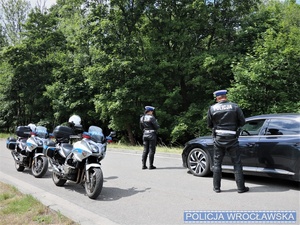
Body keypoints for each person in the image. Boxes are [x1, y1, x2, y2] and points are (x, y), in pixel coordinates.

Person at [207, 90, 249, 193]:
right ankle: (240, 188)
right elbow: (242, 122)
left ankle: (216, 188)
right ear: (225, 96)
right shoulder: (234, 107)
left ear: (217, 98)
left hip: (219, 139)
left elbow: (209, 125)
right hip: (232, 139)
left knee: (217, 164)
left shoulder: (212, 108)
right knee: (237, 163)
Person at [140, 106, 160, 170]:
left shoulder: (142, 118)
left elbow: (141, 127)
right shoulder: (152, 117)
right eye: (152, 111)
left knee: (145, 150)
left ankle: (143, 165)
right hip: (151, 134)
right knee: (151, 150)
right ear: (150, 111)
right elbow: (157, 127)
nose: (152, 112)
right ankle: (151, 165)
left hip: (145, 134)